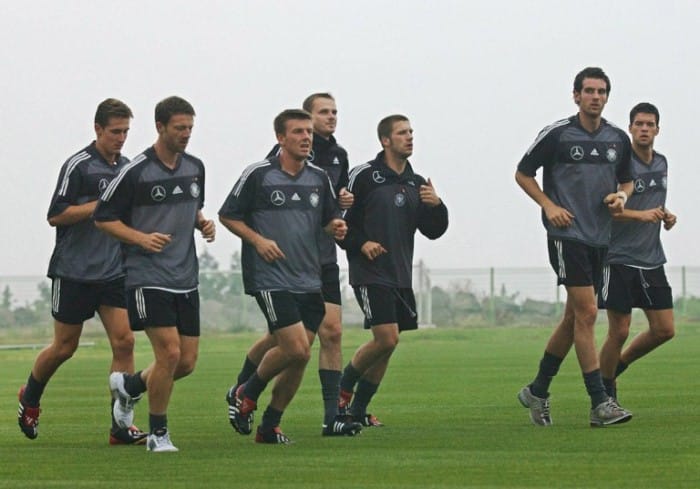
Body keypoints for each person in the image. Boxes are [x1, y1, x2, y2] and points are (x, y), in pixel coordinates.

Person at [225, 93, 358, 437]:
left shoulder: (318, 177)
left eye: (308, 133)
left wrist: (336, 226)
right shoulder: (259, 175)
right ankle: (247, 392)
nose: (305, 138)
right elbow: (228, 215)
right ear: (280, 138)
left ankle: (270, 425)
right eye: (298, 132)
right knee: (296, 347)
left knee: (298, 356)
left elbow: (329, 220)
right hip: (271, 277)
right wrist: (258, 240)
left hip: (309, 277)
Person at [17, 98, 147, 445]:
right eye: (115, 132)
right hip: (74, 270)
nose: (121, 138)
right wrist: (97, 207)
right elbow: (56, 215)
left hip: (113, 270)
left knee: (125, 340)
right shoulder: (79, 166)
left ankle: (120, 426)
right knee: (64, 347)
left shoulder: (128, 169)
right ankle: (30, 396)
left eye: (126, 132)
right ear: (98, 129)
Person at [93, 96, 216, 452]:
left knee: (187, 362)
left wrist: (202, 223)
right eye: (180, 128)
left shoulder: (195, 167)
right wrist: (141, 238)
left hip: (185, 277)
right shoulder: (135, 171)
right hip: (146, 276)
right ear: (160, 127)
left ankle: (130, 387)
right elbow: (103, 217)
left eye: (190, 128)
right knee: (169, 355)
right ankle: (158, 434)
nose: (186, 134)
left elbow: (192, 207)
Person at [515, 67, 635, 427]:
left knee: (573, 318)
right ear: (576, 95)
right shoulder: (557, 134)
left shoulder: (618, 139)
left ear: (607, 97)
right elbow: (522, 173)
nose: (595, 97)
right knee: (587, 313)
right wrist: (549, 206)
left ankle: (537, 389)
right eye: (589, 91)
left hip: (600, 236)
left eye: (601, 91)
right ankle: (600, 402)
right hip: (567, 236)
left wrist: (620, 196)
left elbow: (627, 180)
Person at [336, 114, 448, 427]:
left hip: (400, 273)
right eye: (402, 133)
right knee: (385, 339)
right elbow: (340, 223)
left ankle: (358, 410)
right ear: (385, 140)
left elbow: (433, 231)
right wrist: (361, 245)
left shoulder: (416, 182)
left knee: (388, 346)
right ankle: (341, 391)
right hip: (369, 271)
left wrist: (436, 205)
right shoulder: (364, 175)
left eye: (411, 132)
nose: (409, 137)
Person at [598, 102, 677, 400]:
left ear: (657, 129)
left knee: (665, 330)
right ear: (630, 128)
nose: (644, 129)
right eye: (639, 124)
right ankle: (605, 395)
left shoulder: (662, 163)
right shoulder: (619, 164)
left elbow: (652, 205)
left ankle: (616, 366)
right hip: (617, 258)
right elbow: (608, 209)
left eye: (650, 124)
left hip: (652, 258)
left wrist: (666, 216)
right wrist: (639, 216)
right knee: (618, 331)